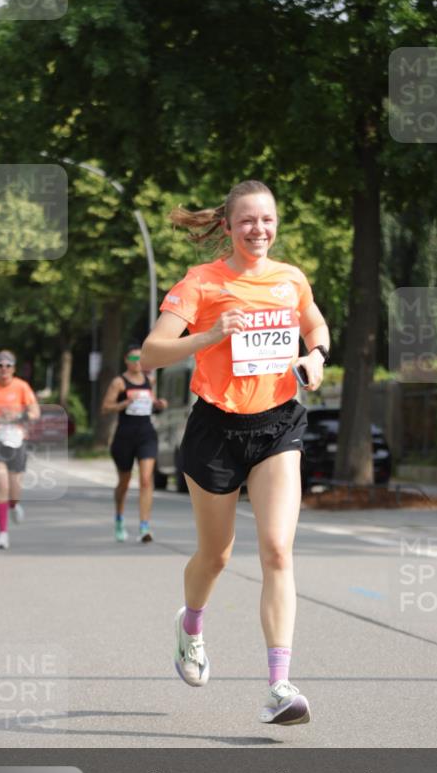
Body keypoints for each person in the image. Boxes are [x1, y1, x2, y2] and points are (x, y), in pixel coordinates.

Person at [141, 180, 330, 724]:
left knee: (276, 549)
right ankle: (191, 626)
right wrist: (209, 336)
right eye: (247, 220)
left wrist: (315, 355)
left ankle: (279, 687)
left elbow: (313, 322)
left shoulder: (289, 279)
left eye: (267, 219)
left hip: (277, 423)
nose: (259, 229)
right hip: (216, 428)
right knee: (217, 555)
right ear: (227, 226)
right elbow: (151, 353)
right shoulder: (201, 283)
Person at [101, 342, 168, 543]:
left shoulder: (149, 381)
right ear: (126, 361)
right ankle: (120, 519)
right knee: (124, 481)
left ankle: (144, 526)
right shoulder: (119, 383)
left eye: (140, 358)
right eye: (132, 358)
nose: (137, 362)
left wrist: (159, 404)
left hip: (146, 434)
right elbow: (105, 407)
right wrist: (124, 403)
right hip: (124, 435)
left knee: (146, 479)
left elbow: (151, 404)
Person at [0, 350, 40, 550]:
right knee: (1, 483)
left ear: (14, 368)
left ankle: (14, 504)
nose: (4, 369)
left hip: (17, 439)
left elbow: (35, 411)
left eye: (8, 365)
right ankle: (3, 534)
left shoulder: (22, 386)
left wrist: (20, 416)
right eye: (0, 365)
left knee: (14, 490)